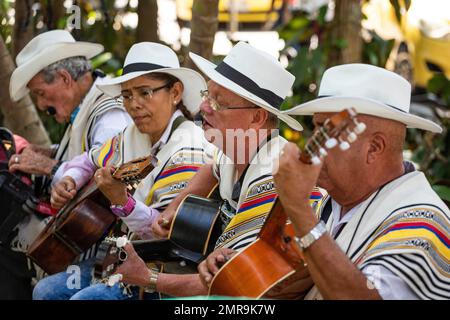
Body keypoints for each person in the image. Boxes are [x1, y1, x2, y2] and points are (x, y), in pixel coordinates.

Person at [202, 63, 450, 300]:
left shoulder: (423, 224)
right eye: (315, 130)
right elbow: (295, 274)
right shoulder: (333, 205)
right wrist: (238, 265)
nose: (311, 146)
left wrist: (298, 208)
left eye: (326, 133)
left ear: (374, 148)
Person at [110, 42, 322, 299]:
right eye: (207, 95)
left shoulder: (270, 176)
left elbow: (231, 283)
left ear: (256, 118)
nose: (204, 108)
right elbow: (213, 168)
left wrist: (149, 278)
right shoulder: (235, 151)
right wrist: (175, 207)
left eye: (219, 103)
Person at [32, 42, 212, 300]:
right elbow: (89, 159)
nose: (133, 104)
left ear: (175, 92)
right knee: (45, 291)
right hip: (121, 256)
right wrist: (70, 178)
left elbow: (162, 233)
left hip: (163, 268)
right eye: (127, 95)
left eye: (145, 92)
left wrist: (121, 202)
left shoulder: (188, 149)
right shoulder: (131, 135)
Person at [2, 30, 130, 299]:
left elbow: (105, 174)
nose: (40, 104)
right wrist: (48, 153)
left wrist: (48, 167)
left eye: (40, 93)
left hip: (114, 248)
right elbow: (85, 154)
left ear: (64, 79)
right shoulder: (86, 107)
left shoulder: (109, 113)